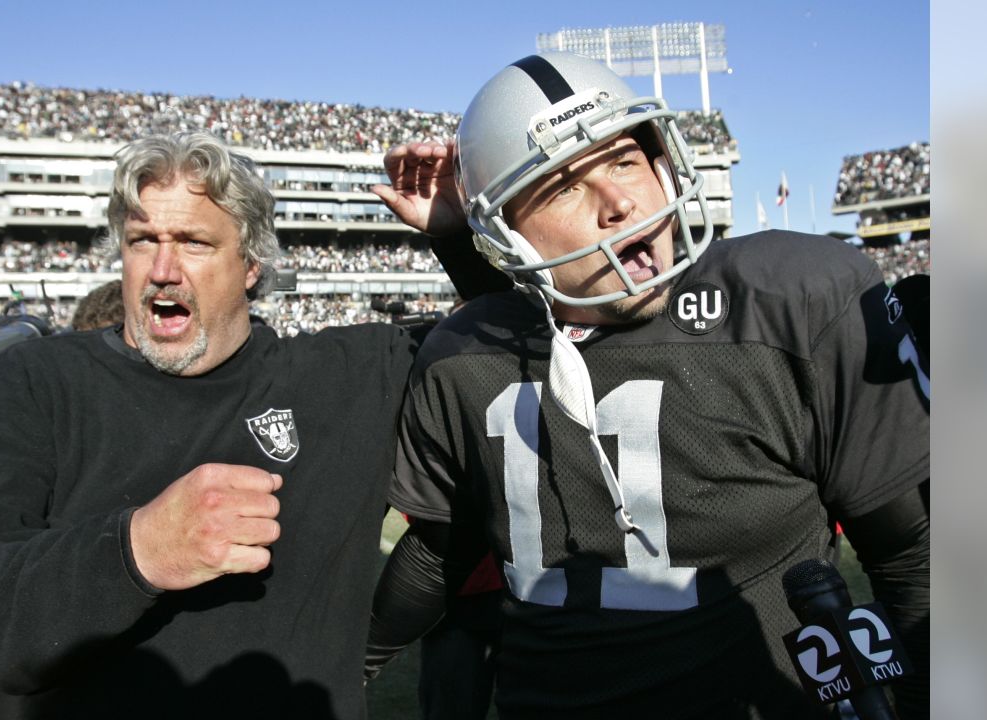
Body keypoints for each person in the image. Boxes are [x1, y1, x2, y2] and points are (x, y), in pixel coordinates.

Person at [366, 52, 929, 719]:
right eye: (560, 186)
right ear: (505, 233)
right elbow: (439, 554)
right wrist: (349, 664)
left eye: (625, 160)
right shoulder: (464, 354)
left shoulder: (789, 300)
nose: (619, 202)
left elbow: (912, 559)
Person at [0, 131, 504, 720]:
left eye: (193, 242)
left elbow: (516, 360)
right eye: (141, 240)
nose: (162, 269)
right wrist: (138, 550)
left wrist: (460, 238)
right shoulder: (34, 383)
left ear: (252, 266)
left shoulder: (348, 376)